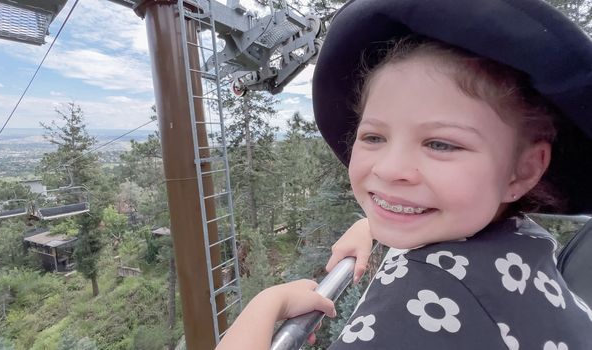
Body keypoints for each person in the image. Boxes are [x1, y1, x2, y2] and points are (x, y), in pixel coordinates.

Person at [216, 0, 592, 348]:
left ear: (522, 171)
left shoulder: (413, 311)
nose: (390, 169)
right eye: (374, 136)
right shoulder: (519, 239)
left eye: (441, 145)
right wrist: (371, 225)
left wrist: (264, 307)